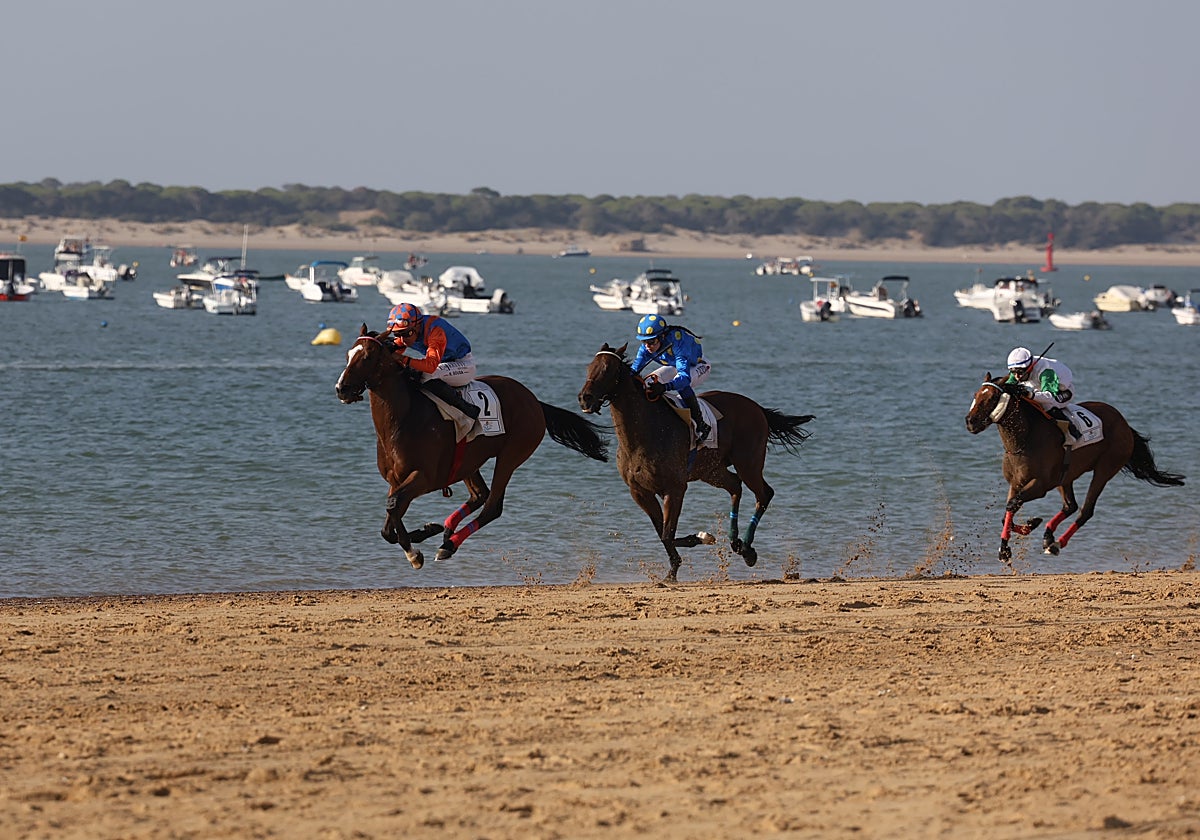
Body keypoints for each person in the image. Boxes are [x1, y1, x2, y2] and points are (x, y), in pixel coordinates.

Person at [385, 302, 481, 420]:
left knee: (427, 374)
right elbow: (392, 352)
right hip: (444, 365)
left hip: (463, 364)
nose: (402, 339)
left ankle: (467, 408)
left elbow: (430, 366)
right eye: (397, 334)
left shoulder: (435, 330)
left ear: (417, 326)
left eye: (406, 333)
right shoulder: (408, 332)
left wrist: (402, 359)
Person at [630, 313, 712, 443]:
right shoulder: (646, 349)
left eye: (651, 341)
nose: (647, 346)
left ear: (662, 337)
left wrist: (665, 387)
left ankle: (701, 424)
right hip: (674, 365)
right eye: (644, 341)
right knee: (649, 382)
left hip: (698, 365)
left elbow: (684, 378)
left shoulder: (677, 344)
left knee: (683, 387)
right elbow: (633, 371)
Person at [1004, 346, 1081, 442]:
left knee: (1046, 404)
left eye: (1020, 372)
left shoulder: (1046, 372)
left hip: (1062, 391)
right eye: (1013, 372)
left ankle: (1071, 432)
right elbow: (1007, 387)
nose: (1017, 376)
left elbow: (1049, 396)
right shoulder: (1018, 368)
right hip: (1039, 388)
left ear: (1030, 367)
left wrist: (1029, 394)